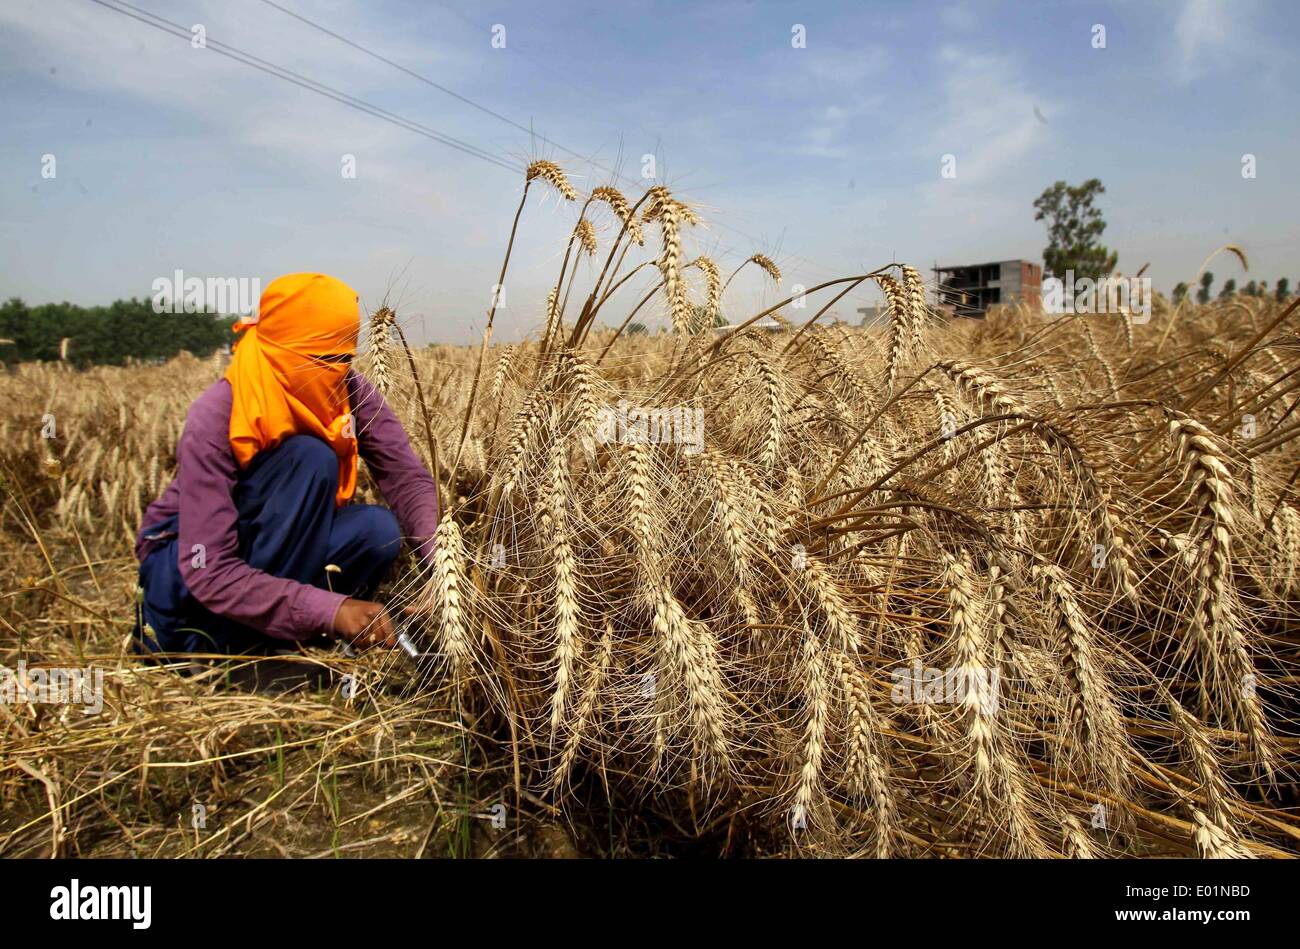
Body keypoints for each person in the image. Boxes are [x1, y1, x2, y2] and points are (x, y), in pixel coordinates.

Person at [132, 272, 438, 660]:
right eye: (324, 359)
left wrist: (438, 562)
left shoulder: (347, 387)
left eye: (345, 358)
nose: (337, 371)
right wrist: (331, 610)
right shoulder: (217, 413)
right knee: (310, 459)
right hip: (187, 566)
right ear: (282, 350)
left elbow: (405, 476)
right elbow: (207, 568)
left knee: (376, 530)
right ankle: (226, 642)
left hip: (281, 548)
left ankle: (284, 628)